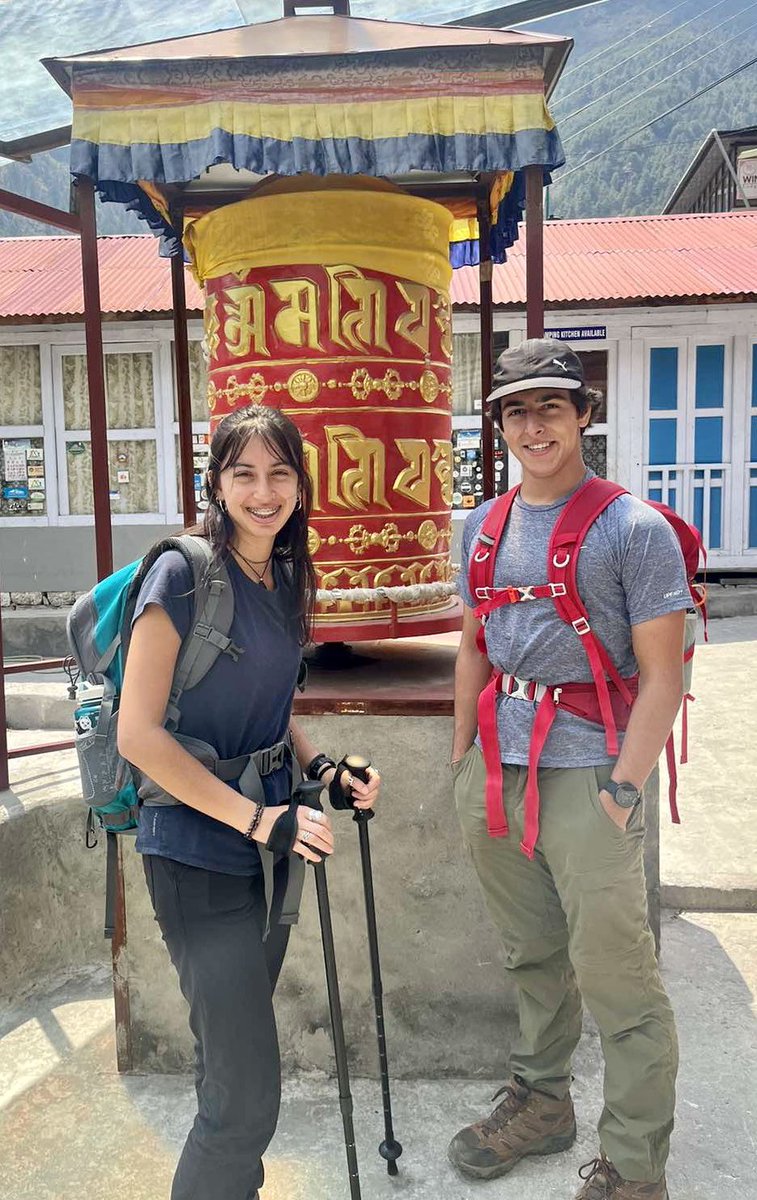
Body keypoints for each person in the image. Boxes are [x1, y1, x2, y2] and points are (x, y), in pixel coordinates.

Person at [117, 403, 380, 1200]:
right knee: (245, 1099)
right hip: (196, 855)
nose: (262, 491)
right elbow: (138, 733)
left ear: (300, 486)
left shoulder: (286, 577)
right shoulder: (183, 575)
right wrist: (259, 818)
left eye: (278, 473)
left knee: (229, 1066)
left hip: (264, 850)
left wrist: (323, 767)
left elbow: (273, 705)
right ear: (216, 483)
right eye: (243, 474)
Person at [448, 339, 690, 1200]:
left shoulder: (633, 528)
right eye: (515, 410)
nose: (533, 425)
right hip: (498, 773)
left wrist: (623, 790)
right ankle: (542, 1103)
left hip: (589, 775)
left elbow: (665, 673)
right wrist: (458, 758)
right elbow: (476, 640)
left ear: (584, 414)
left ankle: (633, 1167)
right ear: (499, 425)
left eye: (551, 406)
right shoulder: (478, 525)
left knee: (616, 974)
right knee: (532, 956)